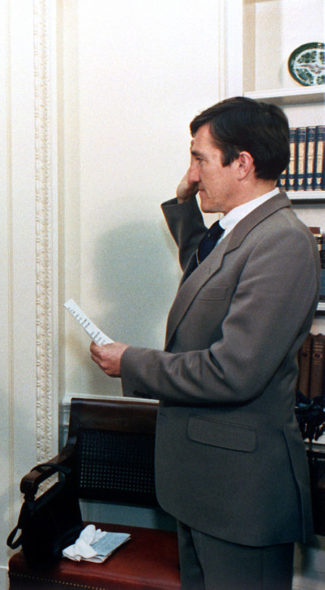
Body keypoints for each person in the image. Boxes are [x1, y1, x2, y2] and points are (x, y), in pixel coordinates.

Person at [90, 97, 318, 590]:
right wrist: (184, 204)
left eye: (199, 158)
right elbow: (207, 273)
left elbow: (233, 370)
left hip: (241, 495)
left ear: (243, 164)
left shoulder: (282, 241)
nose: (192, 172)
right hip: (207, 487)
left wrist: (131, 362)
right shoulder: (241, 232)